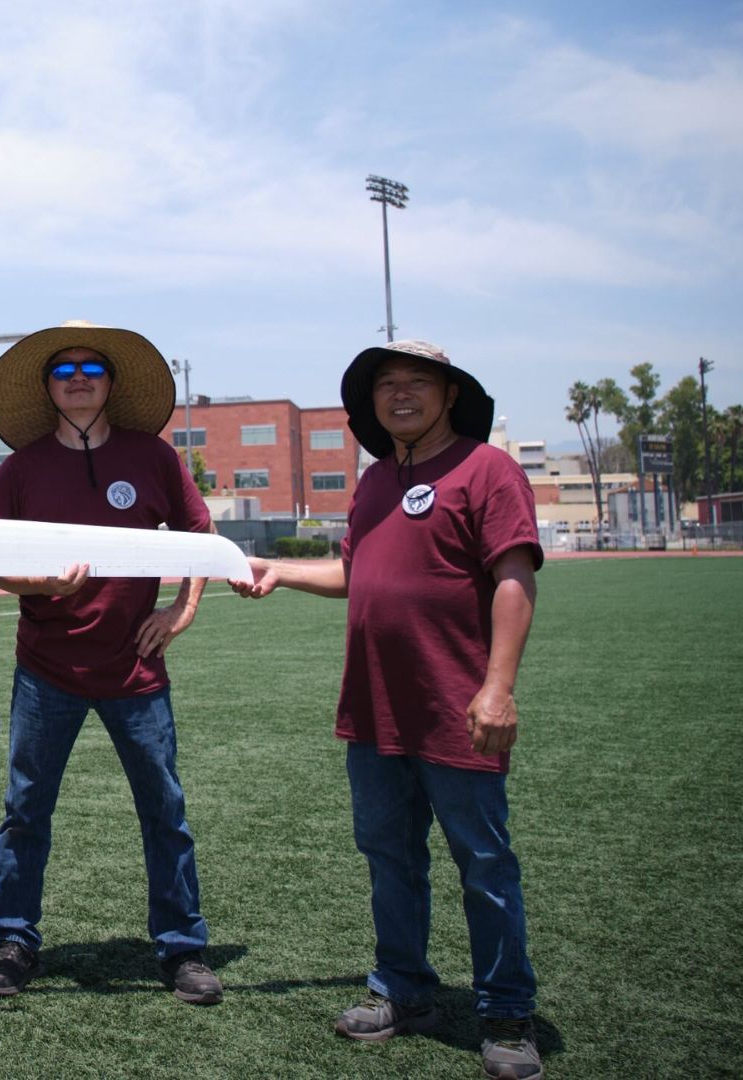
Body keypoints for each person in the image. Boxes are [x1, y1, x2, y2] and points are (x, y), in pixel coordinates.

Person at [231, 340, 543, 1079]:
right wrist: (278, 569)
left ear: (449, 394)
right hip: (374, 713)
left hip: (457, 708)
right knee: (389, 860)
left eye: (417, 383)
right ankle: (403, 991)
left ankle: (505, 1012)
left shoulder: (487, 469)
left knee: (486, 864)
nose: (400, 395)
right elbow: (354, 570)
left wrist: (497, 687)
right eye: (386, 386)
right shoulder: (372, 485)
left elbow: (514, 575)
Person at [0, 320, 223, 1005]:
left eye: (91, 370)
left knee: (164, 808)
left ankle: (182, 947)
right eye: (64, 372)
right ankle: (14, 941)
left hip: (135, 671)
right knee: (26, 811)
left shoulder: (155, 458)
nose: (77, 381)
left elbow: (198, 535)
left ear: (110, 383)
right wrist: (40, 586)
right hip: (45, 668)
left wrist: (182, 610)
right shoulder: (19, 470)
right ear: (48, 389)